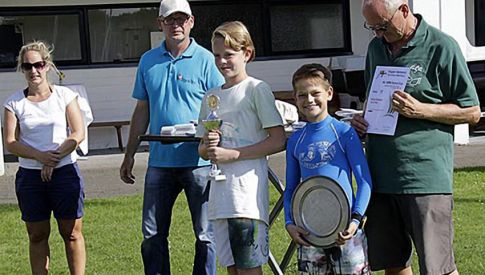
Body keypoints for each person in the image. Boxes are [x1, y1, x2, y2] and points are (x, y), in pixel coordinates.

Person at [351, 1, 482, 274]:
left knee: (438, 267)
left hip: (424, 177)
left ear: (404, 10)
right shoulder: (376, 48)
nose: (377, 34)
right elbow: (373, 99)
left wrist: (421, 109)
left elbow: (471, 112)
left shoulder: (441, 46)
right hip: (379, 175)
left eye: (383, 26)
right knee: (392, 263)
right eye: (372, 27)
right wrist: (363, 120)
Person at [118, 0, 224, 274]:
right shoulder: (148, 61)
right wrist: (129, 154)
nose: (176, 25)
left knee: (205, 235)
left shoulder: (206, 60)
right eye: (169, 20)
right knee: (152, 235)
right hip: (160, 161)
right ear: (160, 23)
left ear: (191, 22)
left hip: (198, 161)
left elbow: (220, 106)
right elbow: (142, 109)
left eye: (181, 19)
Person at [196, 21, 286, 275]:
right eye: (217, 55)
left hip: (246, 197)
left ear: (247, 53)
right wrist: (209, 149)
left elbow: (278, 139)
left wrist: (232, 155)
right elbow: (202, 148)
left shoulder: (256, 89)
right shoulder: (211, 96)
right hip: (220, 197)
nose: (222, 61)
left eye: (229, 55)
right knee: (232, 268)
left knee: (249, 268)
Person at [3, 41, 86, 274]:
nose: (34, 71)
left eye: (38, 65)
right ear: (22, 69)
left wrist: (54, 158)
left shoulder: (65, 95)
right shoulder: (13, 103)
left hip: (65, 172)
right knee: (37, 234)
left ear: (47, 65)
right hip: (30, 177)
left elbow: (78, 133)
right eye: (27, 66)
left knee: (71, 233)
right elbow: (11, 142)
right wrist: (41, 157)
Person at [284, 64, 372, 275]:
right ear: (295, 99)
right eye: (302, 95)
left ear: (329, 93)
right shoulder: (296, 140)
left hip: (346, 231)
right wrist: (289, 223)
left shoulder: (344, 133)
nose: (309, 100)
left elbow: (364, 181)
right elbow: (291, 188)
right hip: (309, 231)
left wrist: (355, 221)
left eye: (315, 93)